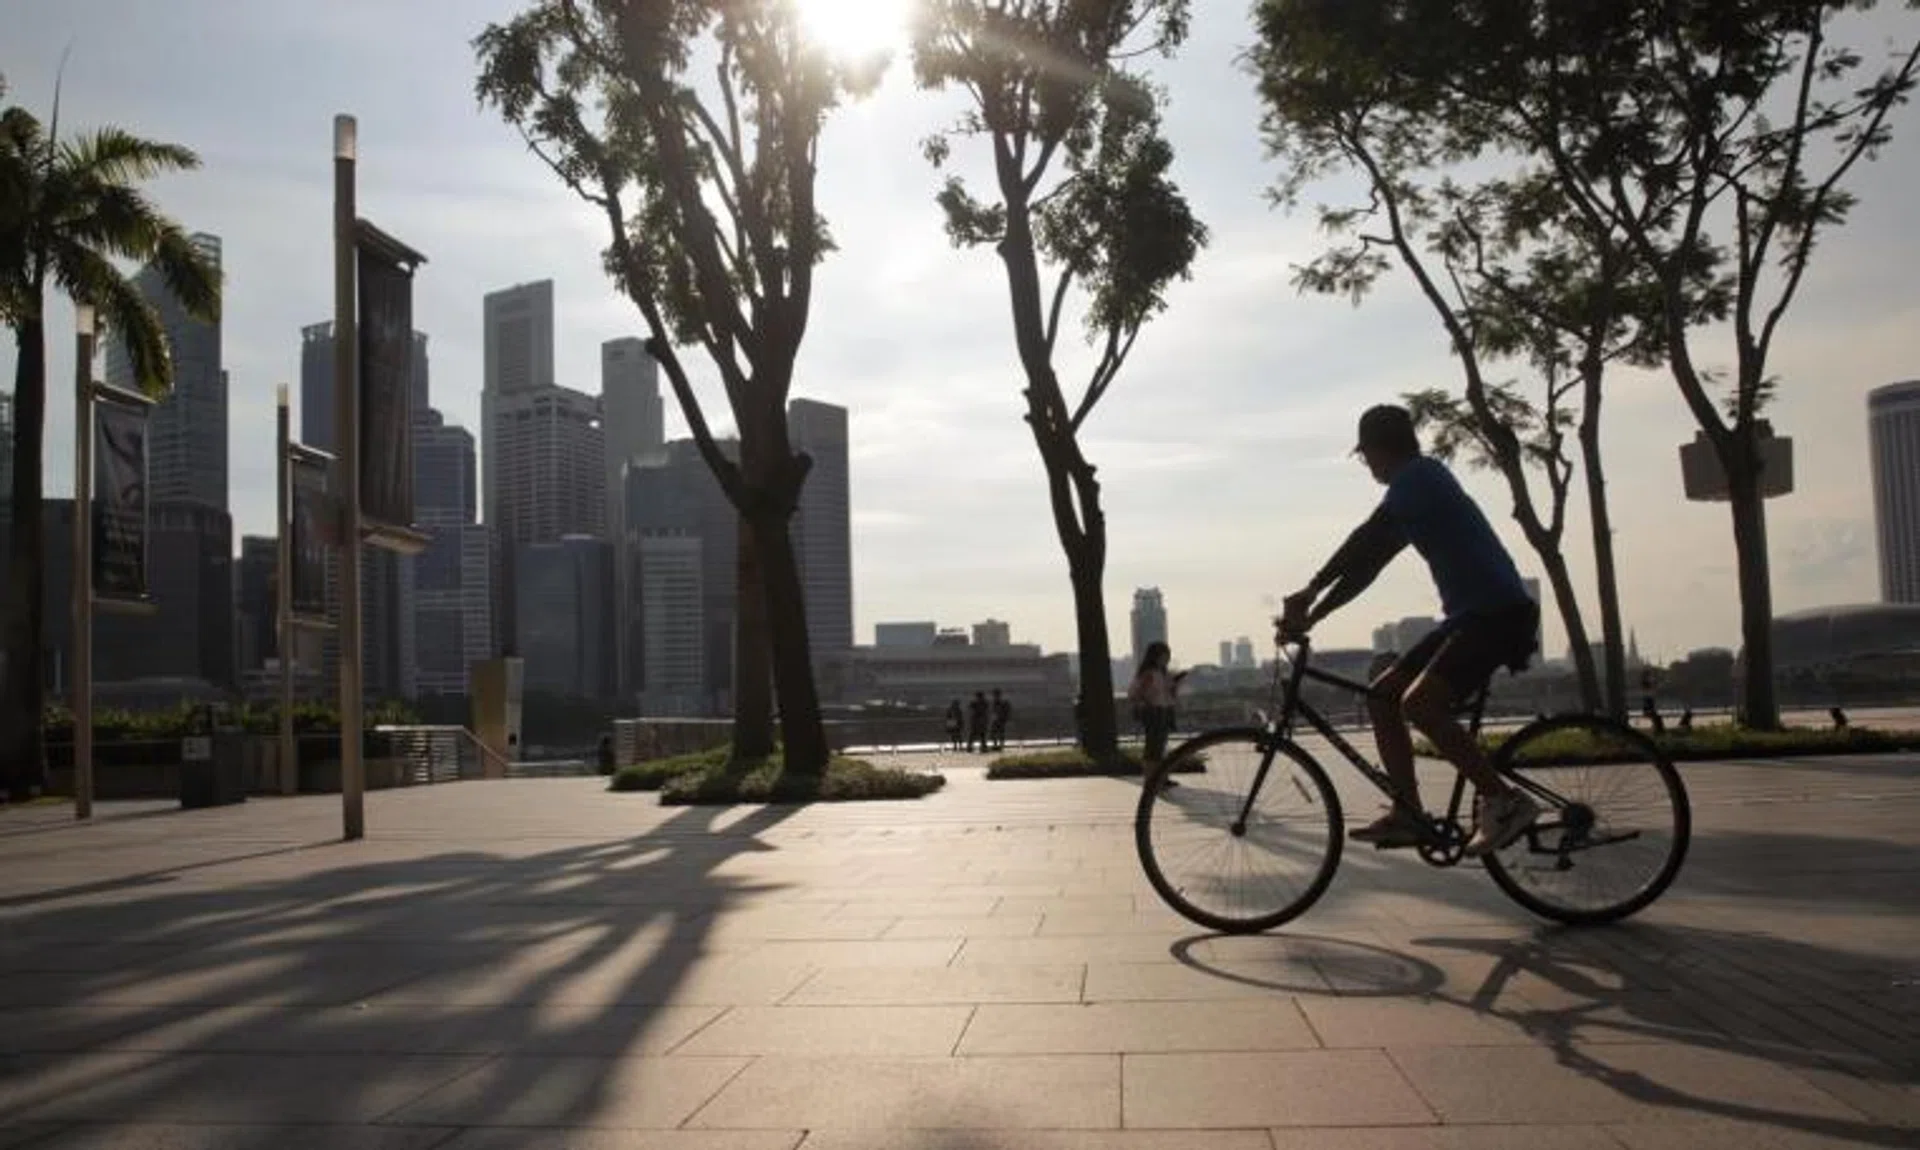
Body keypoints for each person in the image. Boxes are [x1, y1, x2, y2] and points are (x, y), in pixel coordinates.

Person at [1278, 403, 1542, 858]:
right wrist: (1315, 613)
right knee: (1381, 697)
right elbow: (1370, 564)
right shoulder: (1415, 490)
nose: (1368, 466)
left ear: (1379, 450)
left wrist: (1311, 587)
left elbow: (1366, 537)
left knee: (1419, 704)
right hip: (1467, 617)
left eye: (1365, 457)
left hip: (1496, 614)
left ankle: (1504, 801)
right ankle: (1410, 814)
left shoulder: (1418, 479)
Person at [1128, 641, 1186, 768]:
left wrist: (1176, 683)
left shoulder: (1162, 673)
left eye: (1168, 656)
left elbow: (1169, 694)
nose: (1167, 659)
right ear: (1155, 657)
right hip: (1153, 711)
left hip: (1163, 711)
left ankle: (1159, 776)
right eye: (1164, 656)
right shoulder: (1149, 674)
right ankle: (1152, 777)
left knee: (1160, 746)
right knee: (1153, 747)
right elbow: (1137, 693)